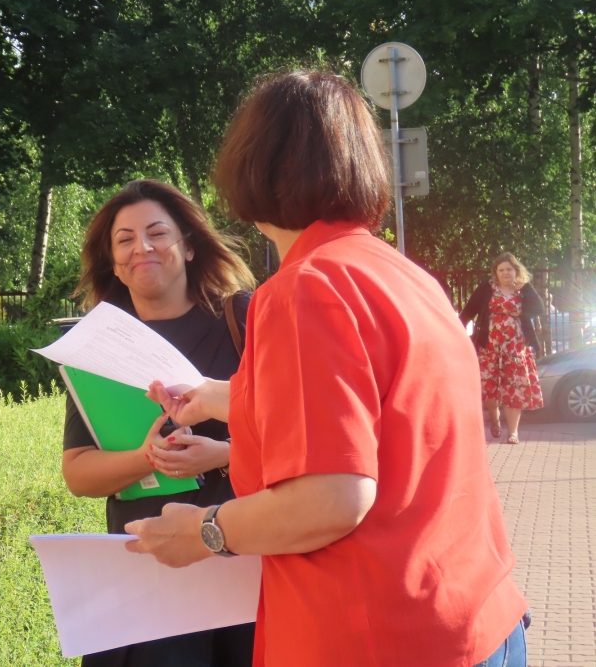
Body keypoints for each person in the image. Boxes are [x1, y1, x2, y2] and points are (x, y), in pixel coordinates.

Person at [125, 71, 529, 667]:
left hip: (376, 635)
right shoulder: (403, 275)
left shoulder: (303, 289)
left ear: (253, 166)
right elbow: (371, 414)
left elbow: (332, 498)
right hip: (473, 617)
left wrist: (204, 531)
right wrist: (215, 397)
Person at [62, 179, 257, 667]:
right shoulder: (97, 348)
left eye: (157, 233)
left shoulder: (243, 320)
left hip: (241, 567)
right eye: (124, 239)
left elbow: (307, 437)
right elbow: (78, 474)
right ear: (113, 262)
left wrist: (224, 455)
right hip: (146, 583)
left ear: (188, 246)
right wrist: (147, 458)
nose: (141, 248)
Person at [459, 253, 545, 444]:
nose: (505, 273)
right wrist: (456, 331)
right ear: (496, 272)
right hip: (490, 348)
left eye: (509, 269)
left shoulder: (522, 290)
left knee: (513, 390)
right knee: (490, 391)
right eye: (501, 270)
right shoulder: (486, 288)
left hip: (516, 349)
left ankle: (513, 433)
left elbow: (539, 309)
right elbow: (468, 312)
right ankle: (495, 420)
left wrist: (527, 288)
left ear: (516, 271)